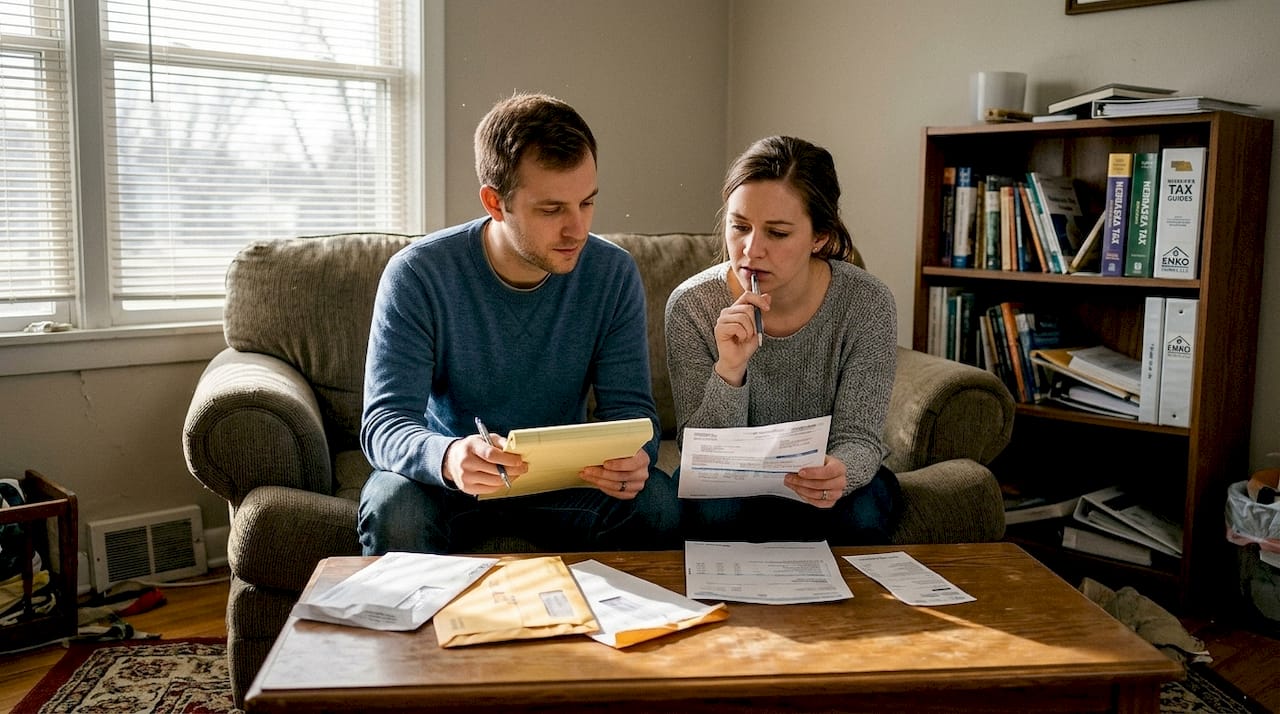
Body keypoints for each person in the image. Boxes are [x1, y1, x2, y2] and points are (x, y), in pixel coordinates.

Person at [358, 92, 678, 555]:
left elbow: (632, 411)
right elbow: (384, 423)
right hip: (454, 484)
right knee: (395, 505)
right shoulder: (418, 274)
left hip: (567, 484)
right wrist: (447, 456)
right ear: (495, 202)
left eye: (587, 203)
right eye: (552, 210)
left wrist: (634, 458)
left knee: (658, 504)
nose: (577, 230)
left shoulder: (612, 273)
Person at [664, 135, 902, 544]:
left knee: (864, 510)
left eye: (777, 233)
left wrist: (839, 471)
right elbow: (699, 453)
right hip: (730, 486)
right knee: (708, 512)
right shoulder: (692, 305)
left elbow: (859, 437)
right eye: (739, 227)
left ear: (820, 237)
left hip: (817, 480)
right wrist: (730, 370)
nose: (751, 250)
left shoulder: (867, 302)